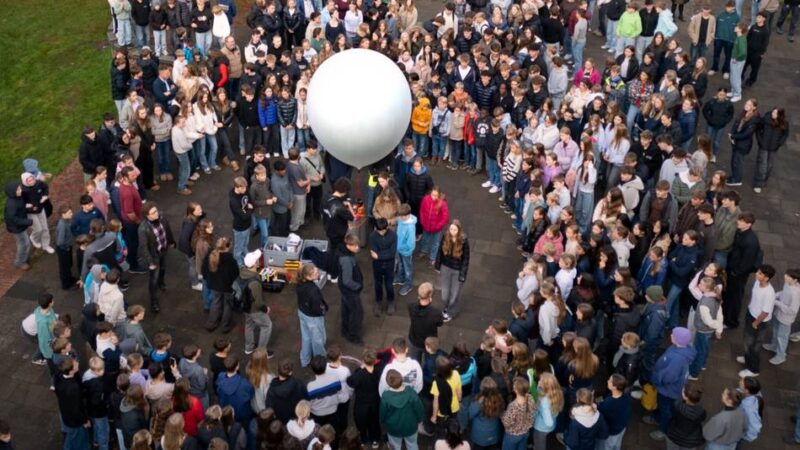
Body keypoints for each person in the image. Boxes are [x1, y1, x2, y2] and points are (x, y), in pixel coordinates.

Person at [645, 327, 696, 441]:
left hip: (668, 391)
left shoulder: (677, 359)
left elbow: (669, 377)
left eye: (673, 335)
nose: (671, 335)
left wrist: (655, 379)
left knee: (666, 409)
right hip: (673, 389)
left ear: (678, 340)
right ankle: (657, 418)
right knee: (663, 407)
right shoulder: (684, 349)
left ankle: (664, 430)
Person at [723, 212, 762, 329]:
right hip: (733, 269)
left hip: (738, 274)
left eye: (741, 221)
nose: (738, 222)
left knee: (735, 298)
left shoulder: (751, 241)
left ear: (749, 224)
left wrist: (736, 272)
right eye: (739, 220)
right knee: (730, 295)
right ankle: (726, 315)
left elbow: (747, 262)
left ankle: (731, 322)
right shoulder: (741, 232)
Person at [736, 264, 776, 378]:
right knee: (747, 341)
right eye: (757, 272)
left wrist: (755, 323)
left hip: (759, 322)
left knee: (754, 345)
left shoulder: (769, 293)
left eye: (760, 273)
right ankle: (747, 358)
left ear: (766, 278)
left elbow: (765, 312)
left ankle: (753, 369)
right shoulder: (757, 283)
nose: (756, 274)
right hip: (751, 314)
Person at [138, 202, 174, 313]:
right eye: (153, 213)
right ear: (147, 216)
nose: (157, 213)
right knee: (153, 279)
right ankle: (154, 301)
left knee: (163, 268)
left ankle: (161, 283)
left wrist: (171, 241)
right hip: (154, 255)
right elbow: (144, 247)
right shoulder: (143, 228)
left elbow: (167, 230)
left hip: (164, 249)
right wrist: (150, 262)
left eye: (156, 211)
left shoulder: (162, 217)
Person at [380, 368, 426, 450]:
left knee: (395, 446)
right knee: (412, 445)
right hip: (411, 426)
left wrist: (382, 421)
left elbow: (383, 413)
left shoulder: (386, 396)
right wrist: (420, 420)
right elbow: (419, 408)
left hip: (393, 428)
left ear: (388, 383)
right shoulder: (411, 392)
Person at [763, 268, 800, 365]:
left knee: (782, 336)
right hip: (778, 313)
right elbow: (783, 292)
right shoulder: (788, 283)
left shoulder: (796, 293)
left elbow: (792, 310)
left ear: (795, 280)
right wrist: (775, 295)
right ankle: (774, 346)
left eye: (788, 276)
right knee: (775, 330)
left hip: (786, 318)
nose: (785, 276)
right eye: (786, 274)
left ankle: (781, 355)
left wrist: (777, 303)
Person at [347, 348, 382, 448]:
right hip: (375, 401)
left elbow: (350, 381)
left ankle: (363, 439)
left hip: (361, 403)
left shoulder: (359, 374)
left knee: (361, 422)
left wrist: (359, 369)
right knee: (374, 421)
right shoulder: (379, 370)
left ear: (363, 360)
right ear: (375, 360)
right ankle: (375, 439)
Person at [436, 220, 470, 322]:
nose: (452, 231)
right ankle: (447, 307)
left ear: (459, 230)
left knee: (454, 295)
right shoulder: (445, 237)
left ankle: (451, 312)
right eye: (451, 229)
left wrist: (462, 275)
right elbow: (440, 252)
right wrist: (438, 266)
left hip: (457, 270)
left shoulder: (463, 240)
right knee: (444, 295)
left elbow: (466, 259)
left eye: (455, 229)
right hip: (446, 267)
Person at [241, 250, 274, 357]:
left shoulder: (242, 272)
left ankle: (249, 347)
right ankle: (261, 352)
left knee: (249, 325)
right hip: (254, 309)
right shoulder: (254, 282)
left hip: (245, 306)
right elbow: (258, 302)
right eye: (257, 259)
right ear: (255, 263)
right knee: (267, 325)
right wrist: (265, 309)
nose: (259, 260)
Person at [203, 237, 238, 333]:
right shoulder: (230, 259)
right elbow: (235, 274)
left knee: (216, 302)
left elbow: (204, 270)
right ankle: (225, 326)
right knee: (227, 305)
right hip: (227, 287)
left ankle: (211, 323)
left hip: (214, 285)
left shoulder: (211, 255)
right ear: (227, 247)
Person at [296, 263, 329, 367]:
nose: (317, 273)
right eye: (314, 273)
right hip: (313, 318)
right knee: (318, 340)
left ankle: (305, 360)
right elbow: (317, 308)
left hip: (302, 313)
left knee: (306, 337)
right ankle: (320, 362)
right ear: (308, 276)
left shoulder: (299, 284)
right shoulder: (313, 290)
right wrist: (323, 311)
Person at [753, 107, 789, 193]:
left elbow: (785, 134)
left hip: (773, 148)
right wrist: (760, 140)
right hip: (764, 146)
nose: (773, 114)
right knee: (763, 165)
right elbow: (758, 129)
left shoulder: (784, 123)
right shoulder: (765, 120)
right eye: (773, 112)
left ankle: (763, 181)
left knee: (769, 165)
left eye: (775, 113)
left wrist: (779, 143)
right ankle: (758, 183)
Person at [407, 282, 445, 362]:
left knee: (415, 362)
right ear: (430, 295)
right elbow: (440, 323)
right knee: (430, 361)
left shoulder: (411, 306)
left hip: (414, 340)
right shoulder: (435, 313)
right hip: (429, 342)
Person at [338, 234, 364, 345]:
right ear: (349, 245)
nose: (358, 247)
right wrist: (358, 286)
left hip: (345, 291)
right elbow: (347, 280)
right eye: (355, 245)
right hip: (350, 292)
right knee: (357, 313)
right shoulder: (347, 260)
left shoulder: (344, 254)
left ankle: (345, 330)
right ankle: (353, 336)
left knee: (346, 310)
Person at [665, 381, 707, 450]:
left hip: (674, 436)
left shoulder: (677, 405)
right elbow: (702, 419)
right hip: (691, 441)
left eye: (683, 391)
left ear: (685, 397)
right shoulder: (701, 411)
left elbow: (672, 413)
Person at [370, 218, 397, 317]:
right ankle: (378, 301)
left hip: (389, 265)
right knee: (377, 284)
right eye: (379, 230)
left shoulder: (393, 235)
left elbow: (392, 253)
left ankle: (391, 301)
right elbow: (373, 253)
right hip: (377, 265)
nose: (381, 233)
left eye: (383, 230)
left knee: (389, 285)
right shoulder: (372, 236)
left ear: (387, 228)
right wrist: (386, 254)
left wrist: (379, 256)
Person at [216, 356, 255, 425]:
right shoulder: (245, 383)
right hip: (242, 413)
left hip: (226, 411)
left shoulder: (220, 376)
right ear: (237, 367)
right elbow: (251, 394)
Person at [4, 181, 33, 271]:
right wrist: (28, 221)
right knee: (24, 244)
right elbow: (13, 219)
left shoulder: (17, 197)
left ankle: (24, 258)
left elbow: (20, 208)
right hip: (17, 228)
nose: (21, 190)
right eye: (18, 189)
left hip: (19, 226)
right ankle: (20, 262)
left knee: (25, 243)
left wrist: (26, 207)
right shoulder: (11, 205)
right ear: (13, 192)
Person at [597, 374, 631, 450]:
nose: (607, 381)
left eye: (610, 381)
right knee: (617, 446)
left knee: (607, 447)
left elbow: (599, 413)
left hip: (612, 432)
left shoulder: (609, 403)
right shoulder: (626, 396)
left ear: (614, 387)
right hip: (621, 428)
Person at [229, 176, 254, 266]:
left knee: (245, 244)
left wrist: (249, 209)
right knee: (238, 247)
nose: (245, 190)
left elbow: (250, 201)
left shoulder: (245, 190)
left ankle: (246, 257)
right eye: (243, 188)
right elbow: (243, 216)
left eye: (245, 187)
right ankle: (239, 264)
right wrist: (250, 209)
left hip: (247, 225)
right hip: (240, 227)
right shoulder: (233, 201)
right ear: (237, 187)